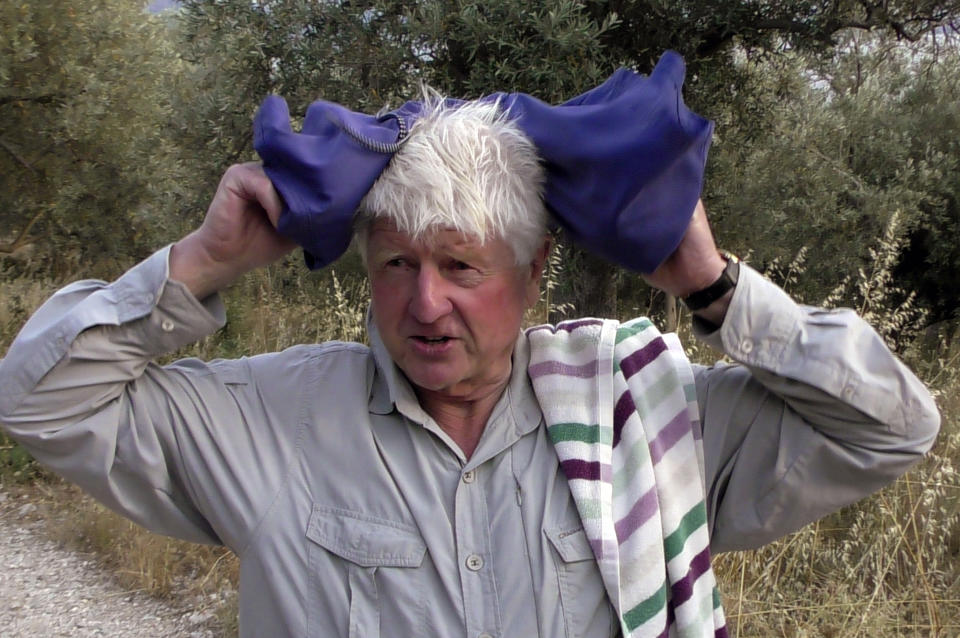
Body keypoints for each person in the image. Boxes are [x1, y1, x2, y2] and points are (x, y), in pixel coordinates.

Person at [0, 91, 939, 638]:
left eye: (460, 266)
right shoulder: (273, 417)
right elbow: (38, 400)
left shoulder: (641, 420)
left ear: (531, 274)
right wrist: (204, 263)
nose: (424, 303)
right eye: (396, 265)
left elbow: (895, 425)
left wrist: (712, 285)